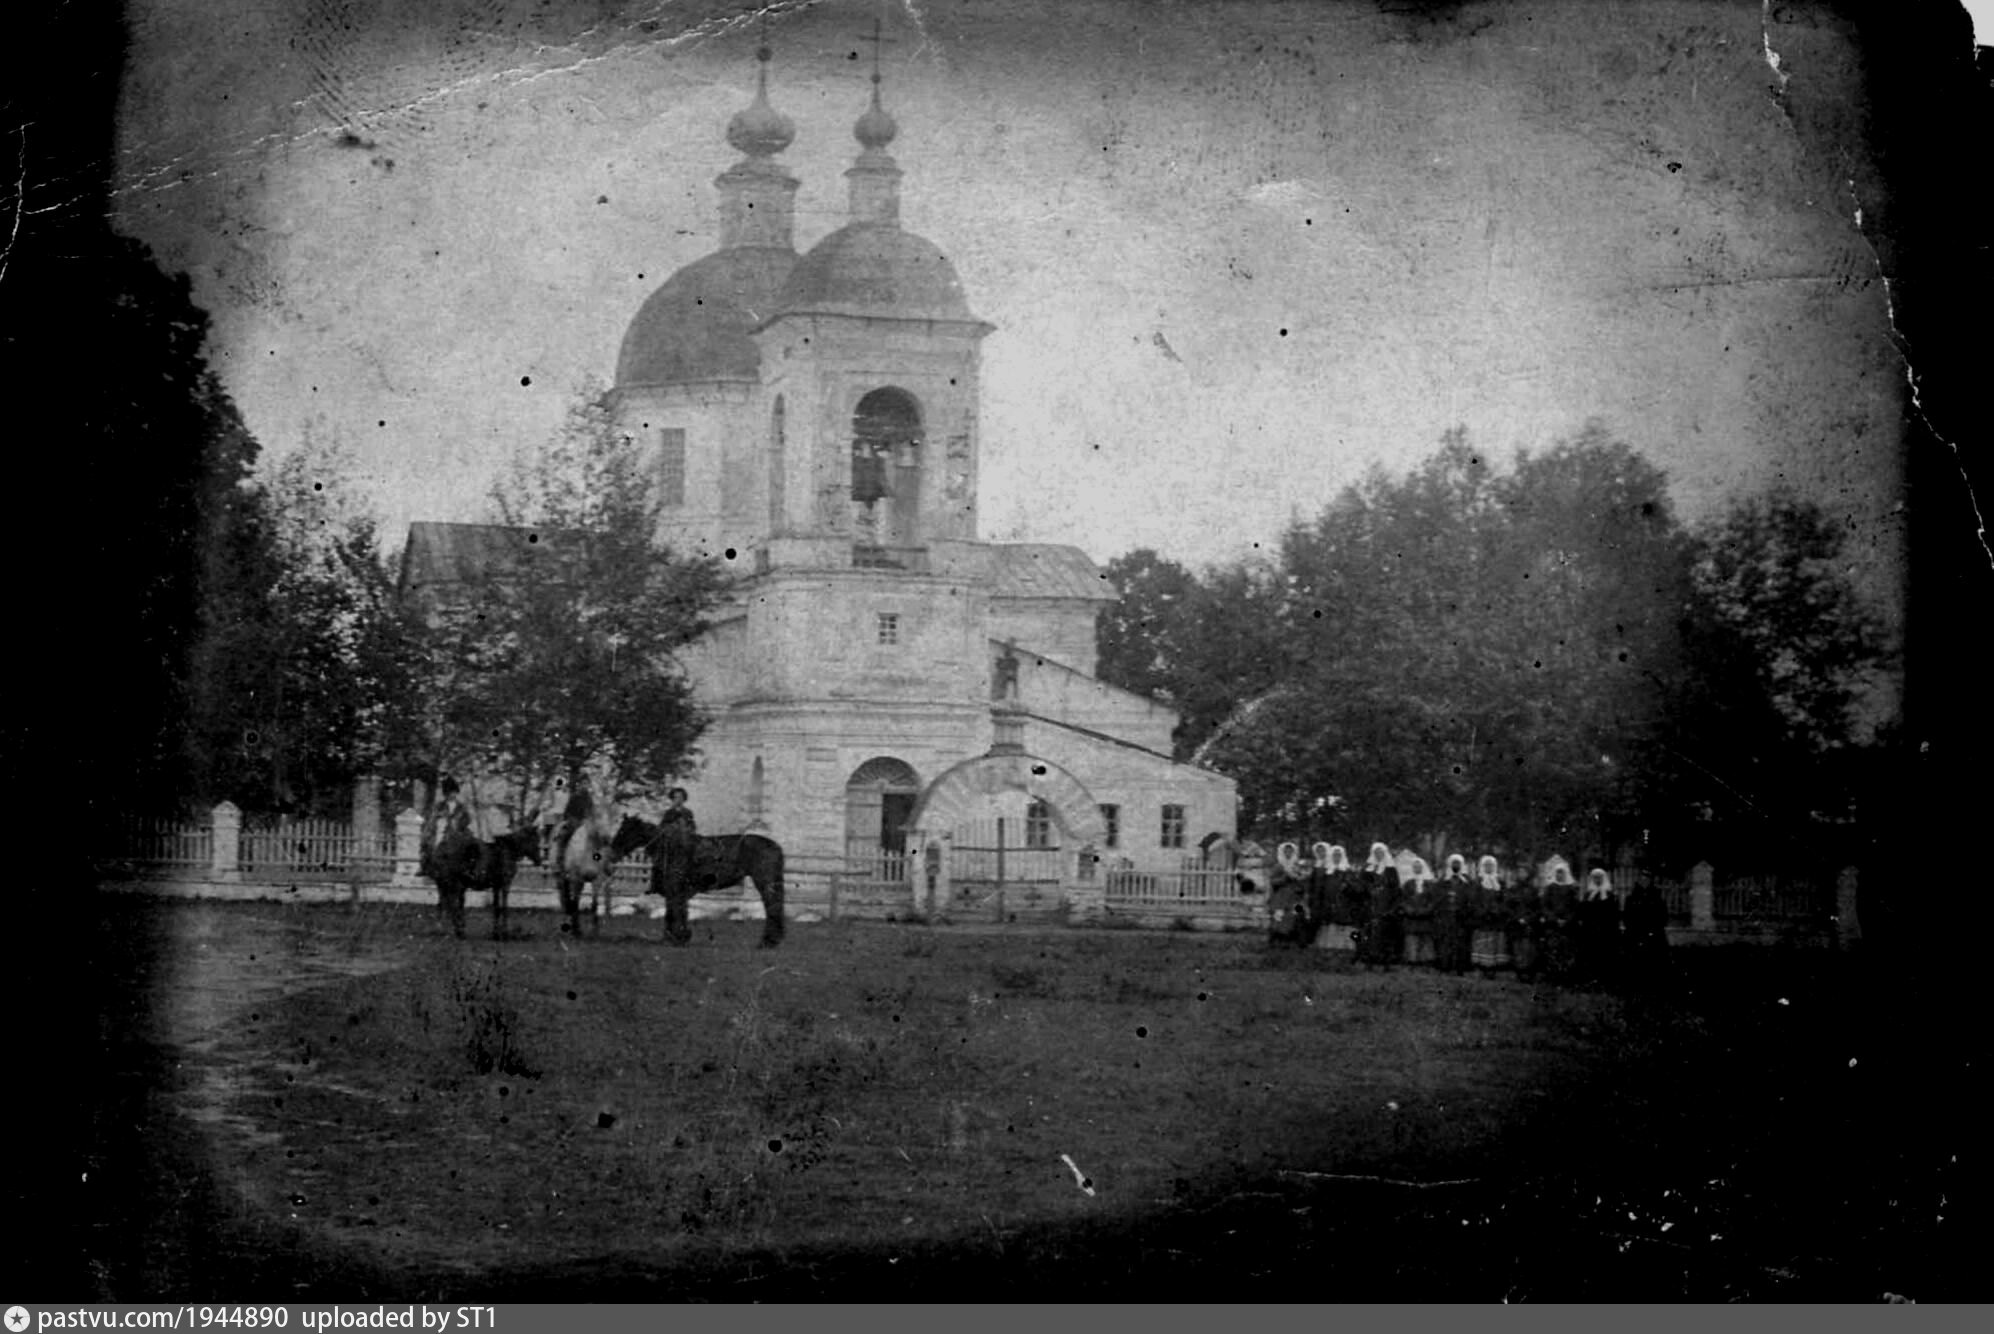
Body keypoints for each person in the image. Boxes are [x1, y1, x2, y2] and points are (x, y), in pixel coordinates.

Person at [1574, 867, 1623, 984]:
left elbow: (1614, 913)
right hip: (1590, 930)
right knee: (1590, 955)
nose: (1597, 880)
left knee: (1604, 955)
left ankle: (1604, 980)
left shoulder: (1610, 894)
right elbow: (1582, 912)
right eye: (1595, 877)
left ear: (1603, 878)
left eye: (1599, 877)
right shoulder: (1588, 894)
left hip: (1605, 930)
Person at [1358, 842, 1401, 968]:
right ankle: (1368, 961)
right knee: (1368, 934)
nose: (1378, 854)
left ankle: (1385, 962)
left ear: (1385, 853)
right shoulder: (1368, 868)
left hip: (1385, 906)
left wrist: (1391, 907)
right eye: (1376, 852)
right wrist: (1368, 890)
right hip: (1369, 905)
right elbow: (1361, 885)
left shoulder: (1391, 869)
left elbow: (1396, 889)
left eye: (1381, 852)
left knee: (1384, 935)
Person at [1432, 853, 1475, 973]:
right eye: (1453, 863)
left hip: (1461, 918)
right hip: (1445, 917)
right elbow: (1437, 898)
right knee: (1446, 943)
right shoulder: (1443, 880)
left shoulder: (1467, 881)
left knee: (1461, 943)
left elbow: (1471, 898)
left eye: (1458, 863)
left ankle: (1460, 967)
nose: (1455, 865)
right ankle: (1445, 966)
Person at [421, 777, 472, 878]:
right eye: (449, 793)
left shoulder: (461, 807)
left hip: (458, 831)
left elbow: (467, 819)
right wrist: (430, 830)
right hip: (442, 830)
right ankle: (426, 867)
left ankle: (469, 868)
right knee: (428, 844)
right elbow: (433, 819)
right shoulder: (439, 806)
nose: (451, 795)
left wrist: (460, 825)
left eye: (453, 792)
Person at [1538, 858, 1580, 978]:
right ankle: (1553, 973)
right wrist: (1554, 918)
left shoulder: (1571, 888)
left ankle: (1565, 973)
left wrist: (1567, 919)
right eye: (1557, 872)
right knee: (1552, 947)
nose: (1559, 875)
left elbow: (1575, 907)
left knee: (1566, 948)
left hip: (1567, 924)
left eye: (1562, 872)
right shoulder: (1550, 888)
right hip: (1553, 923)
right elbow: (1545, 905)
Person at [1471, 856, 1514, 971]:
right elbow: (1474, 899)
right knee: (1483, 939)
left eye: (1491, 865)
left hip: (1497, 917)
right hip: (1482, 917)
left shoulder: (1500, 882)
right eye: (1486, 865)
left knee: (1496, 940)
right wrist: (1482, 911)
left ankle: (1494, 966)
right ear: (1482, 867)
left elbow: (1505, 899)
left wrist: (1498, 910)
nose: (1489, 867)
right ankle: (1482, 964)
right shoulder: (1478, 882)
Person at [1401, 855, 1436, 965]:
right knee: (1411, 938)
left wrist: (1426, 911)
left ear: (1423, 867)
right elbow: (1403, 899)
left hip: (1426, 917)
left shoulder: (1430, 884)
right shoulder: (1408, 883)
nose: (1417, 868)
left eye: (1419, 866)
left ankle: (1425, 960)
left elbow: (1433, 900)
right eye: (1415, 867)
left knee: (1426, 938)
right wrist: (1409, 910)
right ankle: (1412, 960)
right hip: (1411, 917)